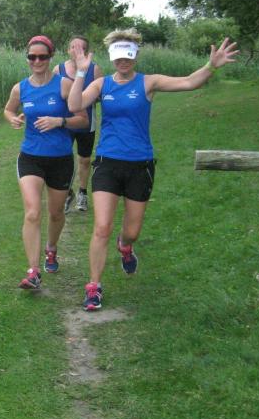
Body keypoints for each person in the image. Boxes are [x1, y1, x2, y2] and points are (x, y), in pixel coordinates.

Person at [68, 29, 238, 311]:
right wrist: (81, 71)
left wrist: (211, 66)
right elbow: (75, 105)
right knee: (101, 227)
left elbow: (188, 82)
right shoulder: (101, 84)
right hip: (108, 163)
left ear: (135, 55)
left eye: (128, 55)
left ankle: (125, 246)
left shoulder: (148, 82)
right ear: (112, 57)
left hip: (140, 165)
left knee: (132, 231)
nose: (123, 61)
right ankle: (94, 286)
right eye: (119, 56)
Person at [3, 35, 89, 290]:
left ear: (50, 57)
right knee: (32, 212)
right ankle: (33, 271)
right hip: (30, 157)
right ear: (27, 59)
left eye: (42, 56)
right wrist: (12, 118)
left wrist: (59, 121)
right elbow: (8, 109)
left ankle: (51, 248)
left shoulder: (64, 85)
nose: (37, 61)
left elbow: (83, 119)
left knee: (55, 213)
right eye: (32, 57)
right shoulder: (20, 88)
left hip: (60, 158)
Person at [54, 36, 103, 213]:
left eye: (81, 48)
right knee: (60, 158)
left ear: (86, 51)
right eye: (73, 48)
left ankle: (82, 193)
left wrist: (85, 97)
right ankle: (67, 192)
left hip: (86, 121)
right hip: (64, 122)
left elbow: (101, 94)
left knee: (84, 159)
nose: (76, 51)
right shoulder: (58, 69)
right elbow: (52, 93)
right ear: (68, 50)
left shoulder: (94, 69)